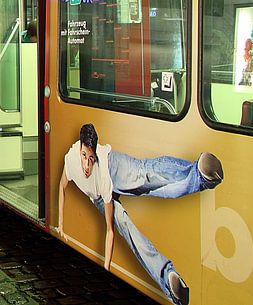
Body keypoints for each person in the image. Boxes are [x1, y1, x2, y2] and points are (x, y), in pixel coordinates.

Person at [56, 123, 224, 305]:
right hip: (97, 196)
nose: (87, 164)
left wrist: (105, 267)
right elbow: (61, 187)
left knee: (145, 174)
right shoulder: (71, 162)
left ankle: (198, 175)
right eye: (84, 157)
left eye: (91, 158)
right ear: (79, 150)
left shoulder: (102, 169)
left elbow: (109, 232)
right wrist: (61, 225)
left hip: (112, 168)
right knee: (128, 230)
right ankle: (168, 278)